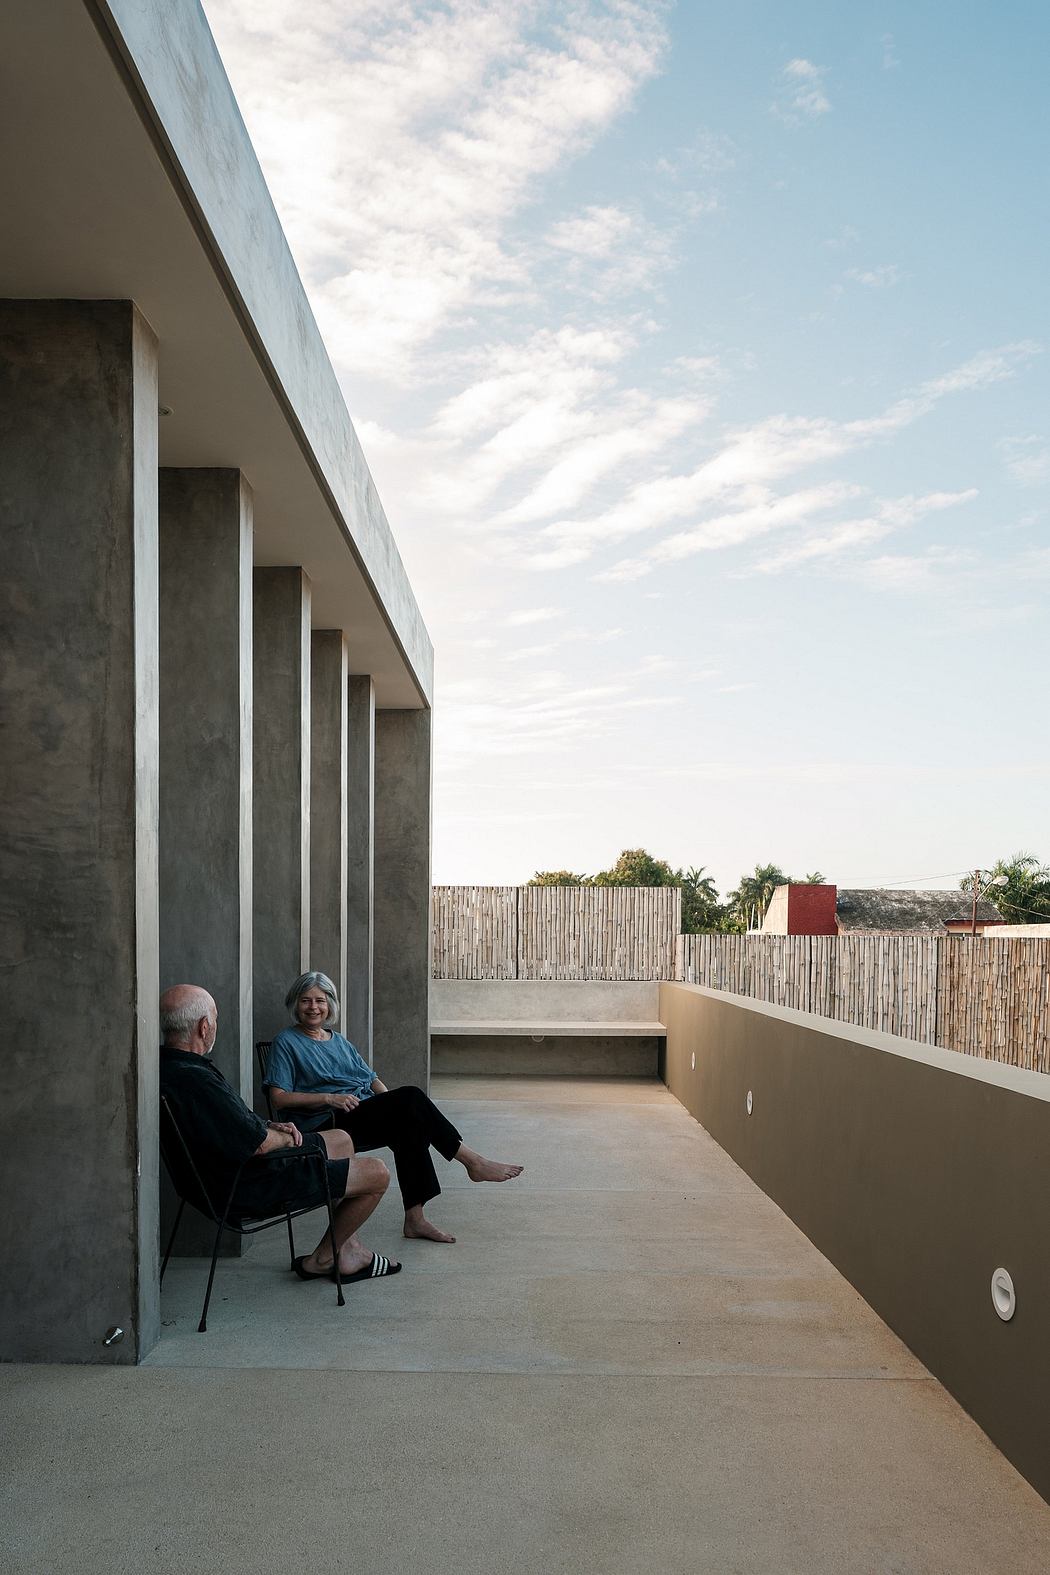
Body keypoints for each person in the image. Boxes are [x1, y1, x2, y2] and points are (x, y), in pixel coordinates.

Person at [159, 984, 400, 1284]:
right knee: (378, 1173)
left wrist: (268, 1125)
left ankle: (346, 1248)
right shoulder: (196, 1079)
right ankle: (324, 1258)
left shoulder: (172, 1067)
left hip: (225, 1175)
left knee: (341, 1138)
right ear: (204, 1026)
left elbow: (233, 1126)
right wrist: (284, 1136)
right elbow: (258, 1145)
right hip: (249, 1184)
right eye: (216, 1019)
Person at [264, 971, 523, 1244]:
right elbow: (278, 1098)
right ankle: (473, 1162)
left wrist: (391, 1106)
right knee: (410, 1098)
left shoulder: (338, 1041)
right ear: (296, 1004)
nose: (313, 1007)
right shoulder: (287, 1041)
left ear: (330, 1004)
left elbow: (371, 1079)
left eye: (320, 1000)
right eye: (306, 1000)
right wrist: (329, 1098)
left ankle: (415, 1219)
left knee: (409, 1122)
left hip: (359, 1115)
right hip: (325, 1122)